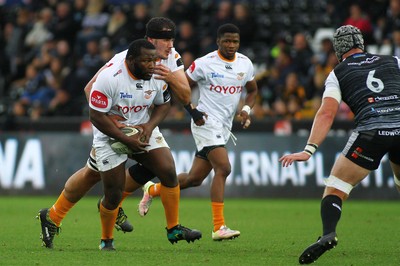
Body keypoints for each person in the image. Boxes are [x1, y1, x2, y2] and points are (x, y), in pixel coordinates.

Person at [36, 17, 204, 249]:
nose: (170, 45)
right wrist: (113, 122)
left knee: (165, 168)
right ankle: (62, 217)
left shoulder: (170, 60)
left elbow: (182, 99)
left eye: (172, 39)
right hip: (112, 128)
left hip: (142, 124)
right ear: (150, 40)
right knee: (94, 176)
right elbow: (89, 90)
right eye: (164, 40)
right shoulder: (119, 65)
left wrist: (168, 79)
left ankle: (172, 228)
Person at [279, 25, 400, 264]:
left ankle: (329, 234)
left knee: (336, 187)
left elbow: (326, 114)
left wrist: (308, 149)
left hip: (371, 132)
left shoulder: (337, 73)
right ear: (361, 43)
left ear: (338, 50)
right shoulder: (394, 60)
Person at [138, 23, 258, 240]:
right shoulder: (204, 64)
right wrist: (190, 110)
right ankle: (219, 227)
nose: (231, 45)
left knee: (195, 179)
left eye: (235, 42)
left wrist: (246, 110)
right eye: (227, 41)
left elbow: (252, 90)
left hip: (224, 126)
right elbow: (183, 87)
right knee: (224, 168)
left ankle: (152, 190)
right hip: (205, 122)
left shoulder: (245, 64)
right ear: (218, 42)